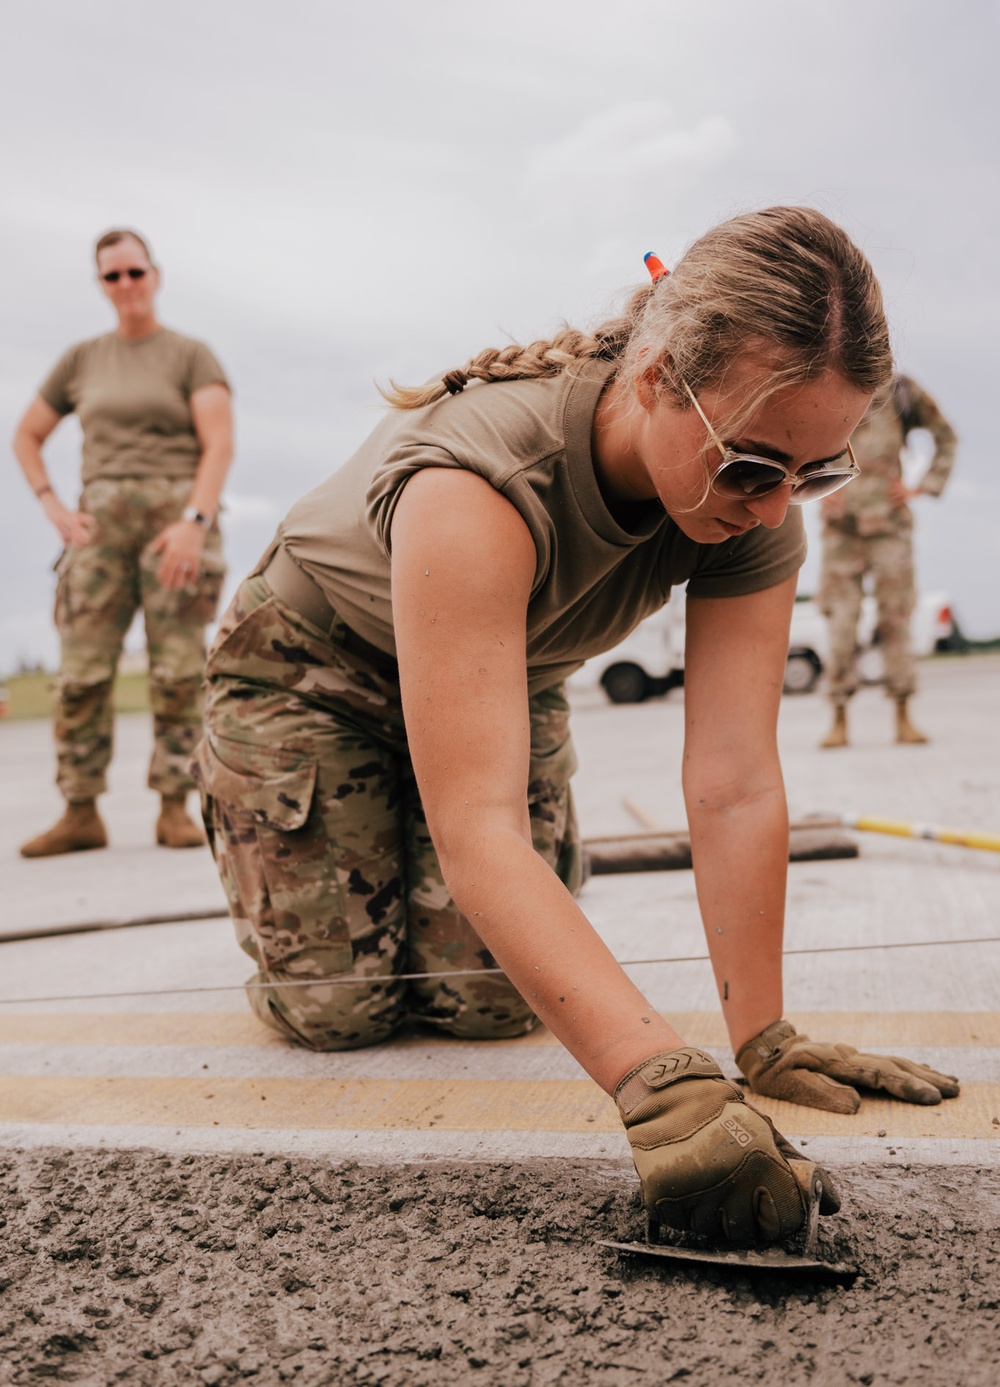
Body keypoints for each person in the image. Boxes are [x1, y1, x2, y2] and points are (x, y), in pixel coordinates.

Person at [195, 208, 958, 1246]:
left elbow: (732, 780)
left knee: (490, 1002)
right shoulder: (479, 482)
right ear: (653, 377)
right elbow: (481, 827)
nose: (777, 510)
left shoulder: (749, 502)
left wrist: (760, 1037)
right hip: (312, 681)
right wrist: (663, 1089)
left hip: (506, 678)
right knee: (343, 1010)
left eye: (816, 473)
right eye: (751, 468)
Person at [13, 228, 233, 857]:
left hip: (174, 528)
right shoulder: (82, 360)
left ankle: (174, 806)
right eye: (113, 276)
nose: (126, 285)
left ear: (155, 275)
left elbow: (218, 443)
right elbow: (26, 435)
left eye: (135, 272)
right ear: (101, 284)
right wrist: (51, 504)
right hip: (100, 528)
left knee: (177, 671)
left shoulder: (191, 355)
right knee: (81, 673)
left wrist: (194, 521)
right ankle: (80, 810)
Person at [817, 372, 957, 748]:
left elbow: (946, 436)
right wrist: (806, 482)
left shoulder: (900, 391)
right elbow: (790, 438)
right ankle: (838, 717)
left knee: (896, 618)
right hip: (840, 530)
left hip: (889, 528)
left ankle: (902, 713)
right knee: (841, 624)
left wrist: (923, 486)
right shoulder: (819, 381)